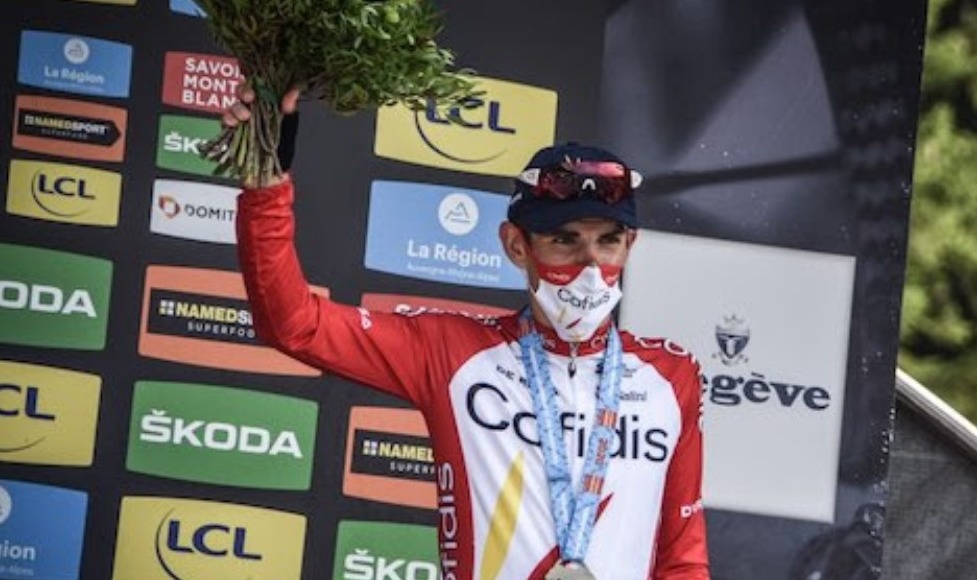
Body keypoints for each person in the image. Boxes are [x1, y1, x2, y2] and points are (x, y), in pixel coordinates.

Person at [225, 88, 709, 580]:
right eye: (564, 241)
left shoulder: (671, 376)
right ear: (515, 246)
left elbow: (683, 561)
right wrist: (266, 183)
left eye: (607, 242)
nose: (590, 266)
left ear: (631, 243)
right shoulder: (451, 350)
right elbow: (294, 323)